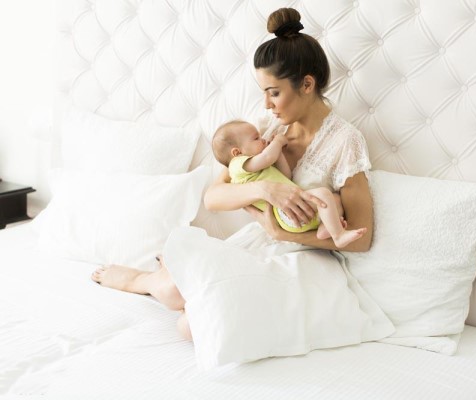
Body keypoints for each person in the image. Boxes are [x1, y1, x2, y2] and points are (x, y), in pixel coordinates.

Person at [91, 7, 374, 341]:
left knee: (191, 326)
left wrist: (283, 234)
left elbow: (361, 238)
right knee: (173, 290)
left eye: (274, 92)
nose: (267, 104)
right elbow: (214, 197)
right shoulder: (266, 130)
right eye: (263, 92)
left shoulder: (345, 141)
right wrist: (264, 191)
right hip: (260, 245)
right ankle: (144, 280)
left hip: (307, 261)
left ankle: (178, 288)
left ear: (307, 84)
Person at [212, 119, 367, 248]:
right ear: (237, 152)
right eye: (256, 138)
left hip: (295, 212)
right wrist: (278, 142)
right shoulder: (237, 165)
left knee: (336, 199)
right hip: (285, 213)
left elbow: (286, 176)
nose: (263, 139)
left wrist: (279, 154)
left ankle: (325, 228)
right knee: (323, 194)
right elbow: (267, 158)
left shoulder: (256, 169)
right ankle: (338, 235)